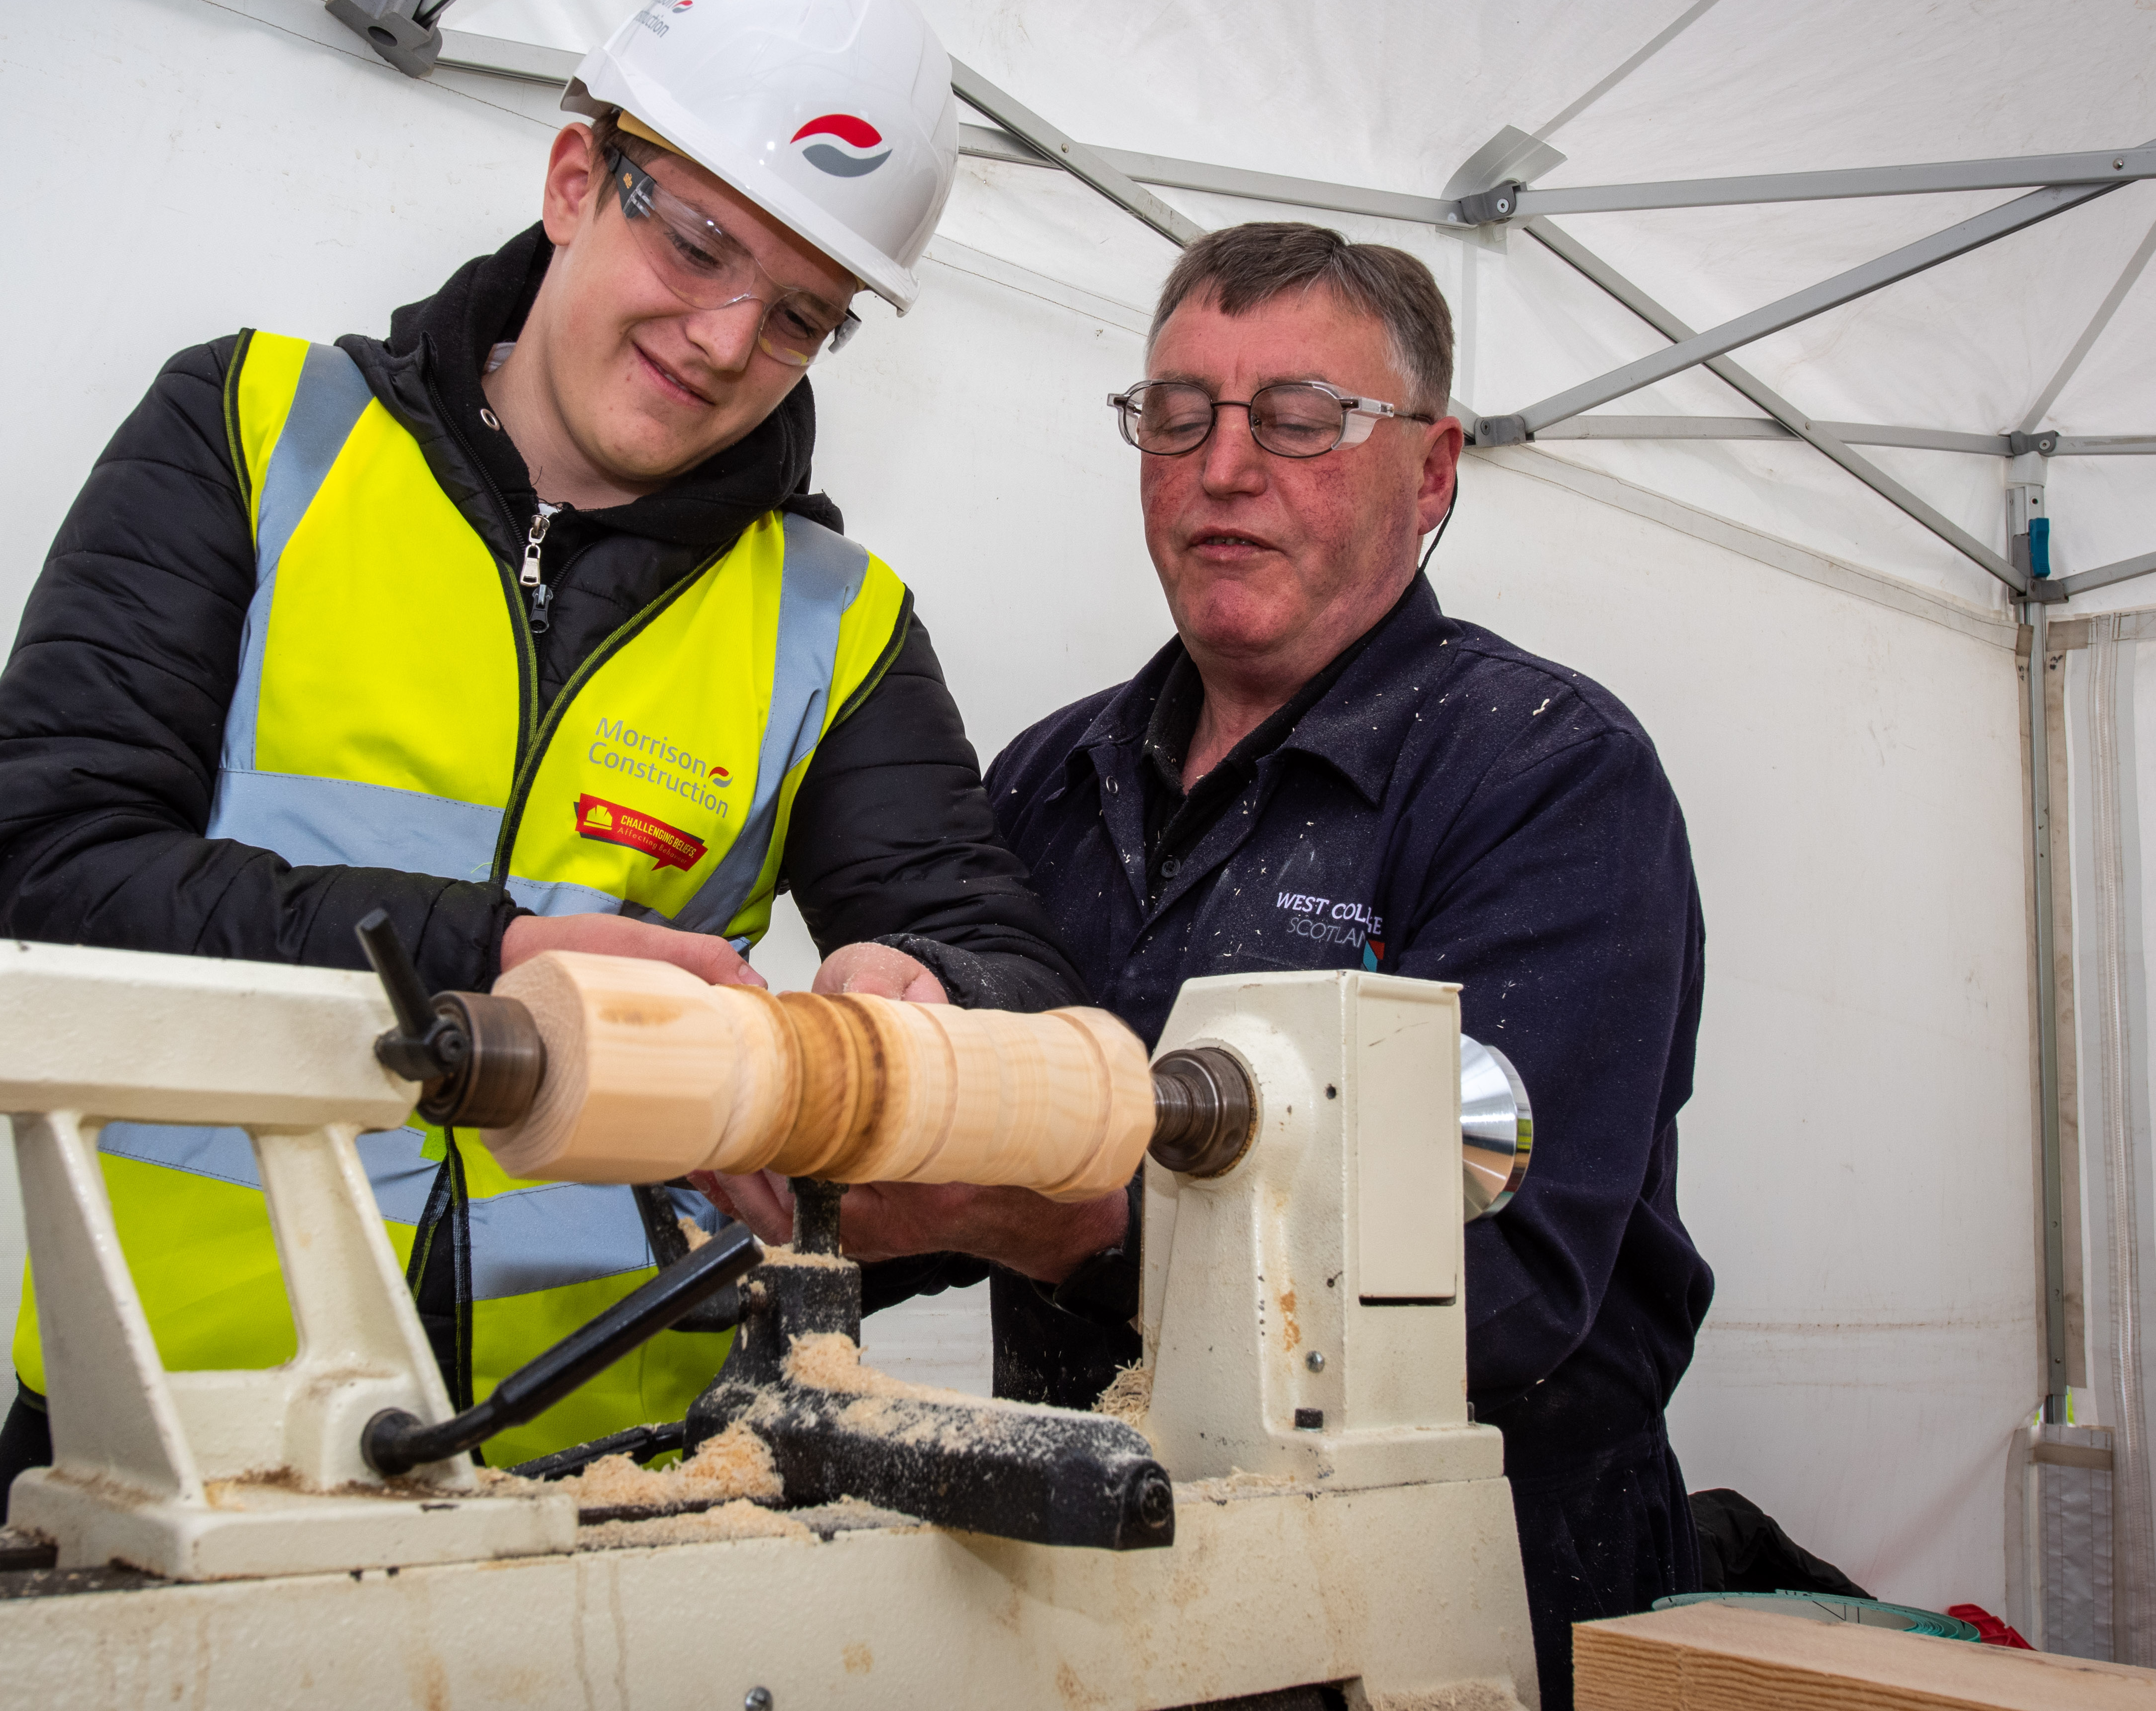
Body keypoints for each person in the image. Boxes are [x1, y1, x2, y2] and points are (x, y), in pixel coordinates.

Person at [0, 0, 1086, 1523]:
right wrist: (496, 953)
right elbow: (42, 875)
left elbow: (996, 956)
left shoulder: (838, 619)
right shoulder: (253, 430)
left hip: (611, 1470)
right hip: (169, 1431)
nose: (727, 337)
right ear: (571, 178)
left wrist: (929, 1001)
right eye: (697, 244)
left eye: (803, 313)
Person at [706, 221, 1713, 1708]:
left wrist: (1082, 1227)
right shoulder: (1053, 774)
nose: (1222, 470)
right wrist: (816, 1154)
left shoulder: (1543, 777)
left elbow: (1503, 1285)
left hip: (1444, 1604)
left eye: (1297, 421)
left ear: (1430, 472)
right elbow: (960, 1167)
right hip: (1091, 1584)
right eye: (1175, 416)